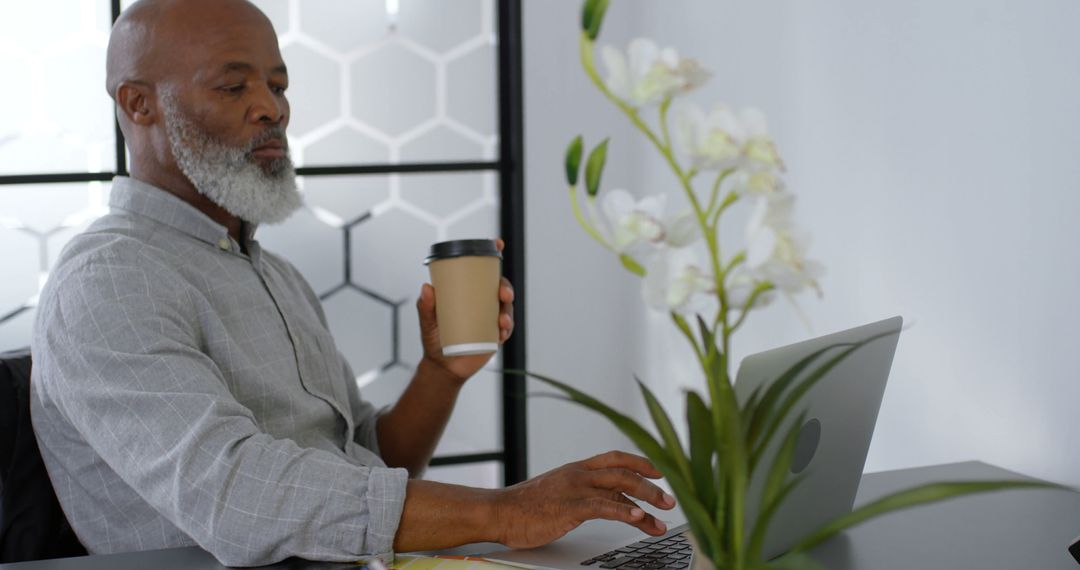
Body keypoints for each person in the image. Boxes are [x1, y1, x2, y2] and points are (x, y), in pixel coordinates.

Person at [29, 0, 676, 566]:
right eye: (233, 88)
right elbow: (238, 498)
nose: (270, 109)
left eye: (278, 86)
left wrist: (440, 372)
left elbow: (366, 462)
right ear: (139, 105)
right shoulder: (110, 281)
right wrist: (505, 512)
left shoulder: (270, 272)